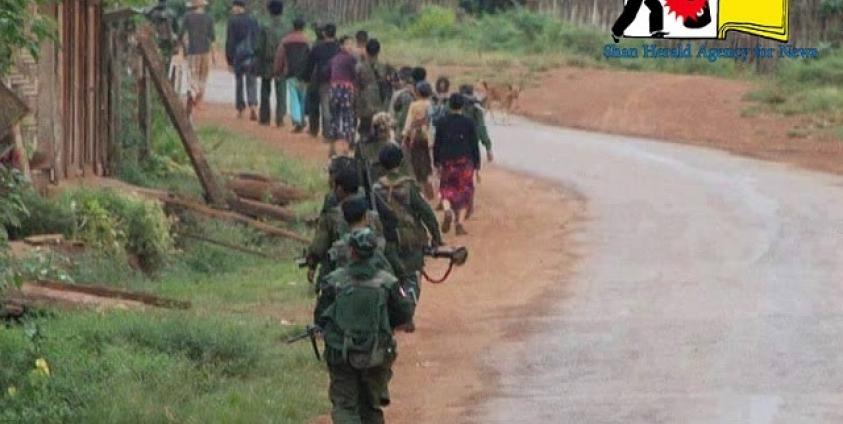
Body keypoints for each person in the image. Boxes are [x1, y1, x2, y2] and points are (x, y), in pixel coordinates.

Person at [317, 228, 413, 424]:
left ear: (351, 251)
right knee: (371, 405)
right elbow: (404, 312)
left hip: (340, 353)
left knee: (345, 406)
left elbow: (320, 317)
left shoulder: (334, 281)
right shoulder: (388, 282)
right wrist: (385, 323)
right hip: (376, 354)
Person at [374, 144, 442, 332]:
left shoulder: (375, 189)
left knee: (391, 279)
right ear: (401, 161)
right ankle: (407, 314)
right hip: (411, 242)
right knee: (412, 278)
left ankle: (393, 315)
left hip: (386, 243)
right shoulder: (409, 186)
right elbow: (426, 212)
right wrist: (436, 237)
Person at [434, 94, 480, 236]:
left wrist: (436, 162)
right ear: (462, 106)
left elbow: (437, 144)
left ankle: (447, 210)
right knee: (465, 191)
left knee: (446, 188)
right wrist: (477, 166)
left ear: (449, 105)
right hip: (465, 161)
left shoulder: (441, 122)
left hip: (447, 161)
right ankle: (459, 223)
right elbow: (474, 145)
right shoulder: (469, 122)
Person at [304, 23, 340, 139]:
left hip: (323, 80)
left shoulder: (318, 48)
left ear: (324, 33)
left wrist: (306, 78)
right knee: (334, 107)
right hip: (338, 80)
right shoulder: (338, 48)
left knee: (324, 107)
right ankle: (334, 131)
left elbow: (310, 64)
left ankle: (322, 132)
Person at [275, 17, 311, 133]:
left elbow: (280, 57)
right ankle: (302, 118)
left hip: (290, 72)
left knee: (294, 97)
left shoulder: (285, 41)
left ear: (293, 26)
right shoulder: (307, 41)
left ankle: (297, 120)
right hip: (304, 73)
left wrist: (277, 71)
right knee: (302, 97)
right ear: (303, 27)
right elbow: (311, 57)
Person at [226, 0, 260, 120]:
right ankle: (253, 106)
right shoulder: (253, 20)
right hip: (251, 56)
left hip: (238, 57)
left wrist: (229, 60)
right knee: (252, 82)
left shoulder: (232, 21)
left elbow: (230, 41)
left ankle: (240, 109)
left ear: (236, 7)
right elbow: (257, 39)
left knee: (239, 83)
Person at [255, 0, 287, 127]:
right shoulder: (287, 27)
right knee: (281, 91)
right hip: (282, 62)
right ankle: (280, 118)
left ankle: (264, 118)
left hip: (267, 62)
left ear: (269, 10)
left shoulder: (264, 26)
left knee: (265, 90)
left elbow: (259, 47)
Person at [402, 81, 435, 199]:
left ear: (418, 92)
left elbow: (409, 122)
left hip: (416, 137)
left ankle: (422, 191)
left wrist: (405, 136)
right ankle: (429, 181)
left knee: (417, 163)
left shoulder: (414, 105)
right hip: (430, 138)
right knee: (428, 161)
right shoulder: (431, 105)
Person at [178, 0, 215, 107]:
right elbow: (212, 37)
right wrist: (213, 55)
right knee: (203, 75)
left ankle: (192, 93)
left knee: (192, 74)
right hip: (205, 50)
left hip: (193, 50)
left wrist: (182, 48)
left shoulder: (187, 16)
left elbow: (181, 34)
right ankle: (199, 99)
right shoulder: (209, 18)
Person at [327, 36, 358, 156]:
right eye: (348, 44)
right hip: (345, 90)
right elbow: (355, 76)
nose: (350, 46)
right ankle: (345, 149)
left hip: (333, 90)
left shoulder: (334, 59)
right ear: (342, 46)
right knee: (347, 118)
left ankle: (331, 148)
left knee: (334, 117)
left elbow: (328, 72)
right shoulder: (351, 59)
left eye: (352, 44)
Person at [355, 39, 387, 141]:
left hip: (364, 101)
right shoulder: (384, 67)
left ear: (366, 50)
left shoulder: (359, 67)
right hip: (380, 102)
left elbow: (356, 86)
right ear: (379, 51)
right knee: (379, 127)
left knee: (364, 128)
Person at [145, 0, 179, 71]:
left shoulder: (153, 13)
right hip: (169, 39)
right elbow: (176, 29)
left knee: (160, 58)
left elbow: (145, 13)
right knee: (170, 59)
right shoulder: (171, 13)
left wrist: (154, 7)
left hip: (158, 39)